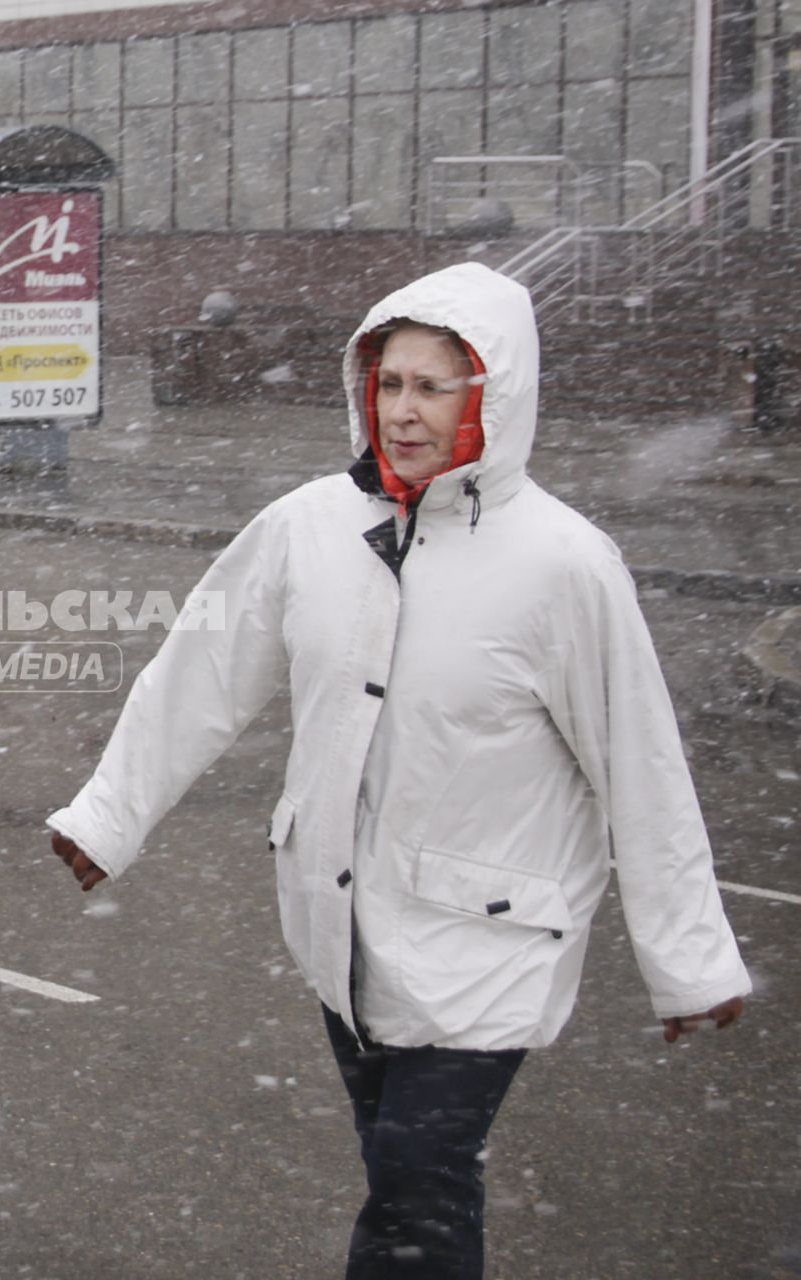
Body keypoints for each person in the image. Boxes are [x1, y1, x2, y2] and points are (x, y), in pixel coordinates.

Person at [46, 262, 750, 1279]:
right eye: (390, 383)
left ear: (491, 398)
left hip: (491, 939)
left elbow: (640, 766)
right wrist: (109, 815)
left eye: (434, 386)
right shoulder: (307, 527)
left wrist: (688, 957)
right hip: (344, 932)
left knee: (418, 1179)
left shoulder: (564, 563)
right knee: (407, 1173)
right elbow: (198, 673)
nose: (405, 410)